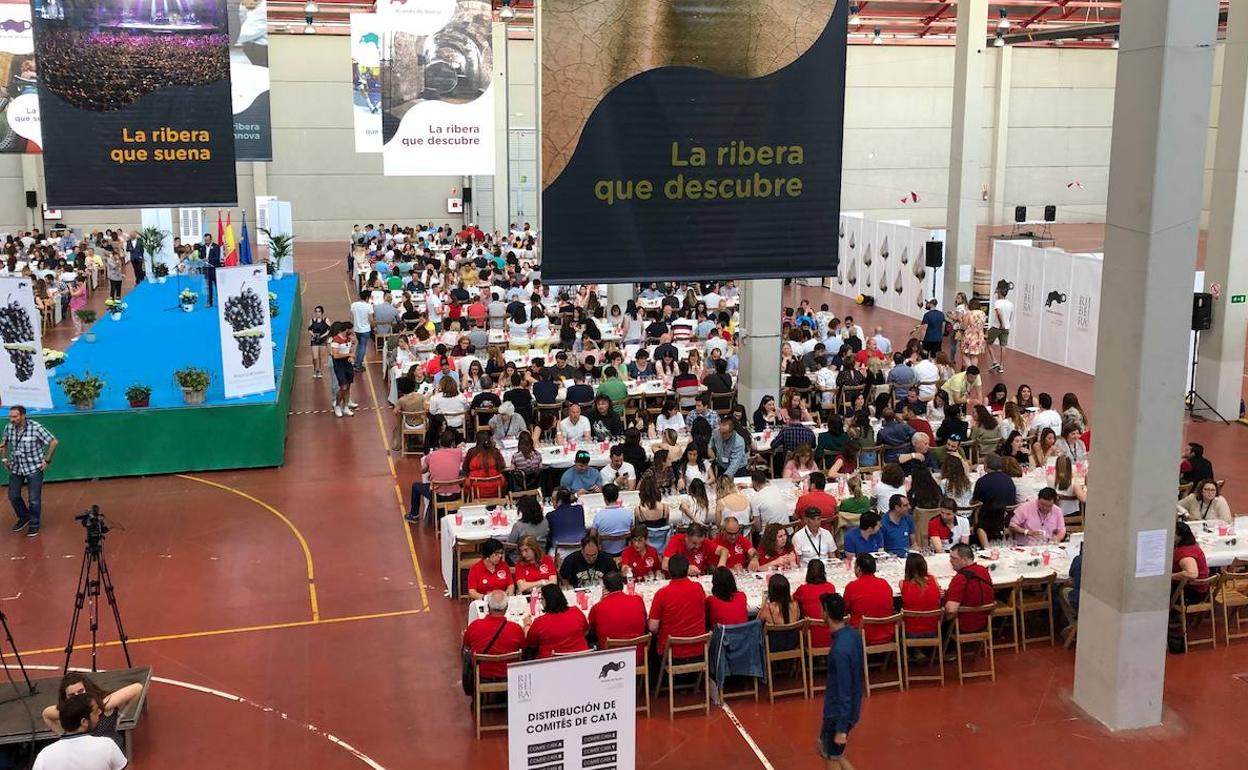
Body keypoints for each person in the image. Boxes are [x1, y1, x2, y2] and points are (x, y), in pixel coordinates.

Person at [818, 592, 864, 769]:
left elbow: (843, 689)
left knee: (832, 758)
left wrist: (841, 728)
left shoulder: (839, 650)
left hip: (837, 713)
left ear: (826, 613)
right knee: (833, 754)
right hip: (849, 709)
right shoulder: (852, 635)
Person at [41, 673, 143, 750]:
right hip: (82, 753)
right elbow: (46, 714)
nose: (78, 696)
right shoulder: (67, 711)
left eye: (81, 691)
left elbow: (137, 688)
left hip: (108, 749)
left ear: (87, 688)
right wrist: (62, 735)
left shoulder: (104, 705)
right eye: (72, 695)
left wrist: (121, 716)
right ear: (65, 697)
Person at [32, 694, 127, 770]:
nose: (99, 713)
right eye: (95, 711)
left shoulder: (44, 755)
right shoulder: (107, 745)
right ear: (84, 722)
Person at [2, 405, 57, 537]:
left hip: (34, 467)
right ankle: (24, 517)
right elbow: (4, 443)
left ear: (23, 416)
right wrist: (4, 459)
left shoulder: (36, 427)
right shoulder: (8, 427)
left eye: (15, 416)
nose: (12, 419)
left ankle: (34, 524)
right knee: (13, 496)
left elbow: (54, 442)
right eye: (10, 416)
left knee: (34, 499)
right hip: (16, 467)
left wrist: (47, 461)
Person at [648, 554, 709, 661]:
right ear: (687, 570)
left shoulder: (662, 594)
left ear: (669, 572)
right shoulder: (698, 588)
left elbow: (653, 628)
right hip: (698, 650)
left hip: (671, 652)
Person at [463, 590, 527, 681]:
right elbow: (523, 648)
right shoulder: (516, 629)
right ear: (506, 607)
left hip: (482, 672)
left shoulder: (474, 626)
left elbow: (467, 645)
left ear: (488, 607)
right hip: (509, 673)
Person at [588, 571, 647, 657]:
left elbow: (591, 627)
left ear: (605, 588)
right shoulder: (637, 600)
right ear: (623, 585)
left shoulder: (597, 608)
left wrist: (601, 601)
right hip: (637, 656)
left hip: (609, 658)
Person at [525, 583, 590, 658]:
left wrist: (527, 625)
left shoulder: (539, 622)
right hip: (582, 658)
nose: (541, 601)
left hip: (550, 663)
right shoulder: (576, 612)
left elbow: (531, 644)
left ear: (547, 601)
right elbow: (586, 632)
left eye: (542, 599)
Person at [843, 553, 895, 642]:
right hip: (887, 634)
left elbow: (844, 610)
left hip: (861, 636)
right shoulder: (884, 584)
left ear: (858, 569)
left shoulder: (852, 587)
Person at [944, 543, 994, 634]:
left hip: (963, 625)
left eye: (953, 558)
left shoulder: (960, 578)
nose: (950, 561)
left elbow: (951, 610)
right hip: (984, 622)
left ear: (964, 560)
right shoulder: (983, 570)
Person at [972, 454, 1016, 546]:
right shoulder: (1009, 480)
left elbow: (976, 502)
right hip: (1006, 517)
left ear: (986, 466)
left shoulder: (982, 481)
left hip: (988, 520)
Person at [1172, 520, 1210, 605]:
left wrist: (1170, 577)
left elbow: (1192, 574)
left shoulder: (1184, 553)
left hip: (1193, 593)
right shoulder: (1193, 546)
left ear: (1180, 537)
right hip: (1202, 590)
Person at [463, 430, 507, 499]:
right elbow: (502, 466)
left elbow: (465, 468)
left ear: (477, 440)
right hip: (496, 489)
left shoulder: (471, 452)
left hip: (475, 490)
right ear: (489, 439)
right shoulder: (495, 451)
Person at [591, 484, 634, 555]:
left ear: (604, 497)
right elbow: (633, 531)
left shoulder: (599, 516)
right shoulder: (628, 514)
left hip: (605, 553)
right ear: (617, 496)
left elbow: (592, 536)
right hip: (624, 550)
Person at [328, 323, 358, 418]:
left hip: (348, 364)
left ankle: (345, 407)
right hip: (339, 365)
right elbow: (335, 355)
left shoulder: (349, 339)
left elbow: (352, 350)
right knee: (343, 387)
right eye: (351, 330)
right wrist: (348, 355)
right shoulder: (336, 340)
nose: (352, 331)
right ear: (346, 329)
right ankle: (337, 405)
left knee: (348, 386)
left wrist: (352, 357)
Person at [986, 282, 1014, 373]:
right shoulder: (1010, 304)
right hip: (1006, 327)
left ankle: (994, 361)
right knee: (1003, 346)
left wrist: (1001, 323)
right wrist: (1006, 324)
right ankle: (1001, 366)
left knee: (988, 343)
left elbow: (998, 313)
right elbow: (1010, 316)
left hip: (997, 327)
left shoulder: (997, 302)